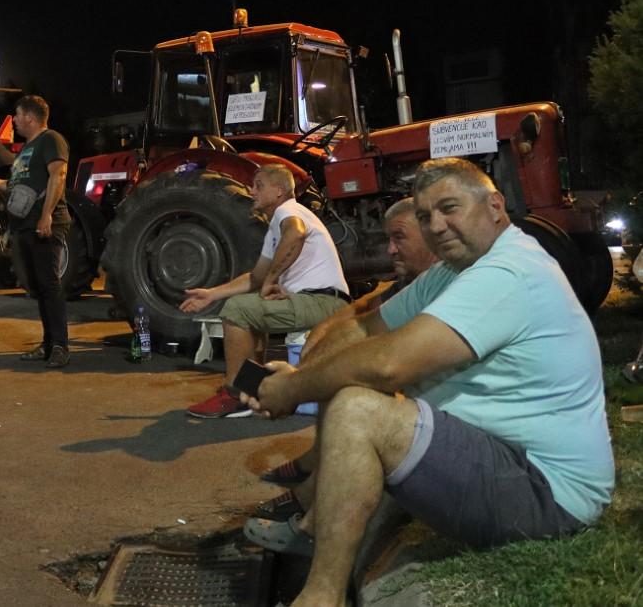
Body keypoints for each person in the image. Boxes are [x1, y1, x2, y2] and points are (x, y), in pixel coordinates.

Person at [242, 159, 614, 607]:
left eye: (450, 208)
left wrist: (292, 390)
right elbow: (362, 328)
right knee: (351, 387)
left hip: (545, 495)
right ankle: (316, 527)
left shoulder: (508, 273)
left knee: (359, 409)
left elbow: (389, 364)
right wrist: (301, 376)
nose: (436, 225)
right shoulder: (454, 271)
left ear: (494, 206)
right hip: (501, 457)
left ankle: (321, 597)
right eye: (424, 215)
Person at [251, 198, 438, 520]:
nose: (390, 250)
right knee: (336, 368)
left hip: (444, 418)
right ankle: (317, 466)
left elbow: (387, 366)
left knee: (351, 392)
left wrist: (295, 385)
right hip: (427, 409)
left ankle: (313, 499)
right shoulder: (419, 281)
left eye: (399, 238)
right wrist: (313, 351)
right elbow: (361, 311)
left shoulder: (444, 282)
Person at [179, 163, 350, 418]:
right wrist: (212, 294)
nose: (251, 191)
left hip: (324, 302)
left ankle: (237, 395)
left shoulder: (287, 211)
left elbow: (296, 234)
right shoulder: (274, 228)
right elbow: (256, 277)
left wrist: (272, 279)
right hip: (316, 300)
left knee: (238, 309)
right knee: (248, 305)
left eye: (259, 186)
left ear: (279, 191)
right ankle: (255, 389)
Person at [0, 95, 72, 367]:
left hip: (42, 224)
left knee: (49, 285)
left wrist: (46, 215)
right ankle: (48, 343)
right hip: (24, 226)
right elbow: (17, 185)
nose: (15, 121)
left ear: (30, 117)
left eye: (17, 115)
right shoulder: (27, 149)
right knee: (38, 287)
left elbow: (59, 175)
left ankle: (60, 347)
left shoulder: (51, 139)